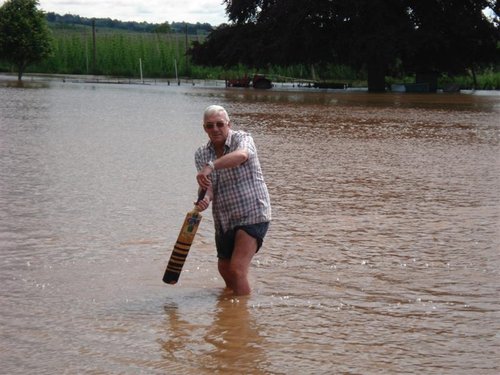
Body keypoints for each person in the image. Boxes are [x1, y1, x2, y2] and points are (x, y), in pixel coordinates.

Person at [194, 105, 271, 295]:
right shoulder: (201, 153)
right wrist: (205, 199)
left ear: (229, 124)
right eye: (210, 126)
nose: (215, 129)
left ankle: (242, 316)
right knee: (225, 269)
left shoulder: (242, 138)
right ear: (204, 128)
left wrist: (211, 166)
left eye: (220, 124)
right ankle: (231, 314)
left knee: (237, 268)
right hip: (225, 218)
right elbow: (208, 187)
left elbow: (241, 156)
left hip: (253, 212)